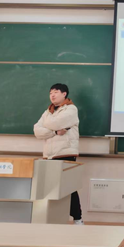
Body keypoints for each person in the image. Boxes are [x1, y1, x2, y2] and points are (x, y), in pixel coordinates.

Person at [34, 83, 83, 225]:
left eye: (55, 92)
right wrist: (55, 132)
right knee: (51, 188)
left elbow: (55, 123)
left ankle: (78, 219)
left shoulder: (71, 109)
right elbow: (37, 131)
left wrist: (49, 126)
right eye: (50, 93)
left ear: (64, 94)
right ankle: (53, 218)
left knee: (69, 188)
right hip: (49, 155)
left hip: (65, 153)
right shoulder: (48, 111)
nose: (52, 95)